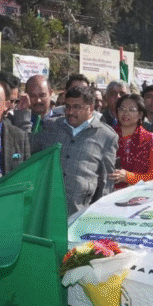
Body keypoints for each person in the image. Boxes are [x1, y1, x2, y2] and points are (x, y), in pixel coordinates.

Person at [33, 85, 117, 216]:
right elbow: (26, 147)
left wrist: (100, 213)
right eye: (68, 106)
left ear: (91, 108)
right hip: (46, 206)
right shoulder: (52, 127)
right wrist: (23, 114)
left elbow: (106, 182)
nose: (70, 111)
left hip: (79, 212)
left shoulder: (107, 136)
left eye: (77, 107)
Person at [109, 94, 153, 189]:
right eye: (122, 109)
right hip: (107, 192)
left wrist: (128, 177)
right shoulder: (108, 136)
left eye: (131, 110)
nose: (126, 113)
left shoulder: (149, 139)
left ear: (140, 114)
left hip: (141, 193)